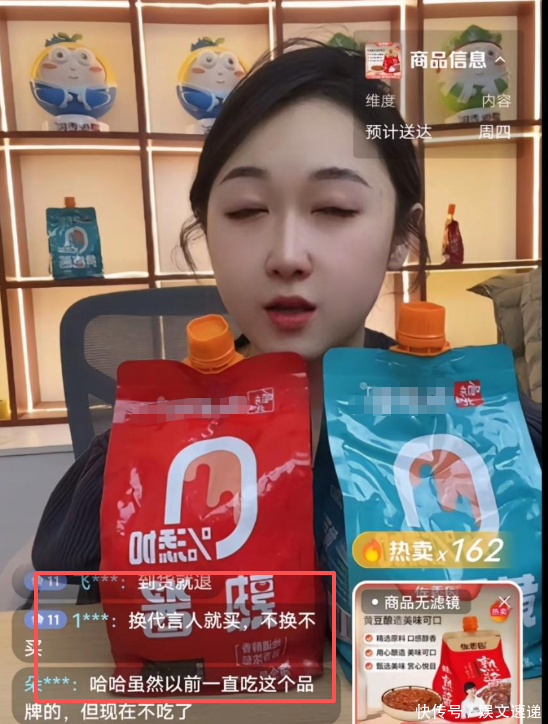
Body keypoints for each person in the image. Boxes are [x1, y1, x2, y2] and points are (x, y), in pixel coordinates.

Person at [31, 40, 541, 591]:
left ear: (401, 237)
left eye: (334, 208)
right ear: (206, 228)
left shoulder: (496, 433)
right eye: (247, 210)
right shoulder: (141, 448)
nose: (287, 255)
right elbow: (62, 593)